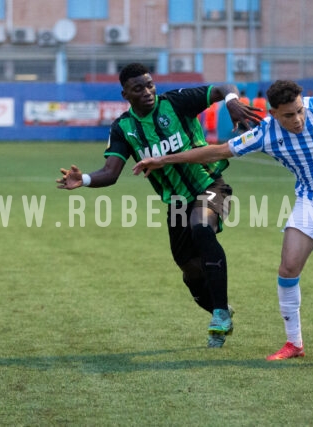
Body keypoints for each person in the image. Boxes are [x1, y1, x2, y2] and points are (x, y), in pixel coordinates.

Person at [133, 72, 313, 360]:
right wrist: (162, 160)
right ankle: (294, 344)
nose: (298, 119)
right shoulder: (266, 132)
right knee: (288, 268)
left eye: (299, 111)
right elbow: (218, 151)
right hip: (311, 199)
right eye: (289, 115)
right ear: (274, 114)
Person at [56, 63, 262, 348]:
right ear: (125, 93)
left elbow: (223, 87)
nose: (148, 92)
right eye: (138, 88)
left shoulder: (176, 102)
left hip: (210, 184)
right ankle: (221, 310)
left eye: (150, 85)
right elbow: (112, 172)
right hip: (177, 203)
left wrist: (232, 102)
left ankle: (218, 313)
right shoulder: (124, 128)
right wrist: (86, 179)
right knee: (190, 271)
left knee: (202, 227)